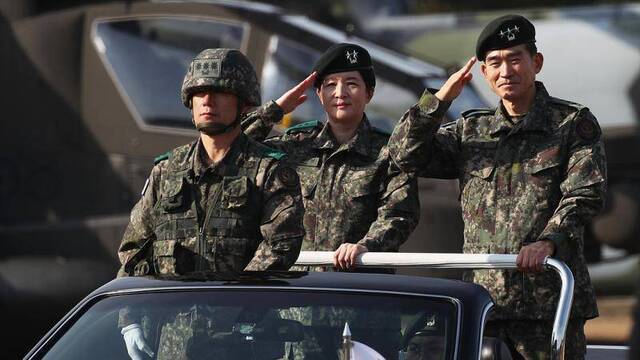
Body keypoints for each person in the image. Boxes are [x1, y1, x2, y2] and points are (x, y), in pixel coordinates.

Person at [387, 15, 606, 359]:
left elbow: (584, 192)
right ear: (485, 74)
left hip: (544, 306)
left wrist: (548, 242)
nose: (506, 71)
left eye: (515, 59)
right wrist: (440, 100)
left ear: (536, 62)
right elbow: (402, 155)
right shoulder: (470, 131)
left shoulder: (572, 124)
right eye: (495, 63)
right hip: (482, 307)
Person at [116, 48, 304, 360]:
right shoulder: (167, 170)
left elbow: (280, 247)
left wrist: (237, 310)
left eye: (219, 92)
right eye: (199, 92)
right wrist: (129, 320)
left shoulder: (269, 171)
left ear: (243, 102)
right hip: (171, 345)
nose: (208, 101)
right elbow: (135, 248)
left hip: (245, 341)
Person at [242, 43, 420, 359]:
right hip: (299, 313)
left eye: (352, 83)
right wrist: (274, 110)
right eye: (330, 85)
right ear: (319, 94)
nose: (341, 92)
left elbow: (400, 212)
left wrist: (367, 245)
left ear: (369, 92)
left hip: (363, 311)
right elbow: (232, 148)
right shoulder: (296, 146)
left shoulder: (388, 151)